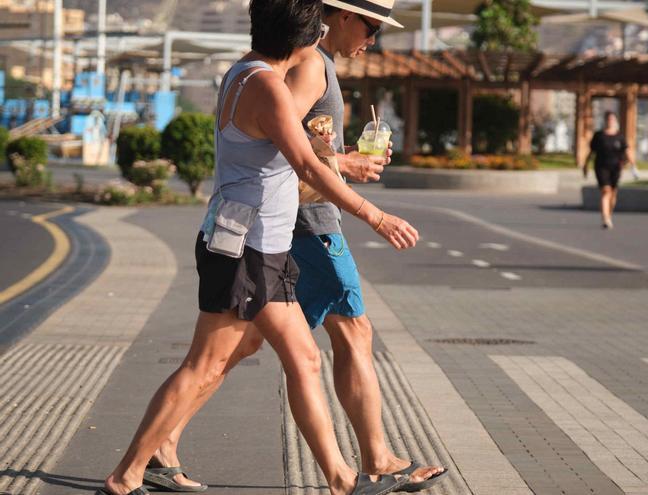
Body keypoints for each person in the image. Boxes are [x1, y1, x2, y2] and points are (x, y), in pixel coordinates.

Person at [96, 1, 419, 495]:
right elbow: (308, 168)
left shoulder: (243, 71)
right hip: (244, 248)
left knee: (304, 359)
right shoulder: (267, 86)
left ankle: (342, 481)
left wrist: (337, 157)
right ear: (300, 38)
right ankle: (126, 475)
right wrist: (375, 215)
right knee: (205, 365)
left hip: (259, 245)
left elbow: (305, 157)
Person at [583, 111, 635, 229]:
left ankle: (609, 214)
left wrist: (633, 166)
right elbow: (591, 152)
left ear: (615, 121)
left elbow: (627, 151)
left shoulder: (620, 137)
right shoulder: (599, 136)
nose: (610, 121)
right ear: (605, 121)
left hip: (616, 167)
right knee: (606, 191)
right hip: (601, 167)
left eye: (612, 119)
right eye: (608, 119)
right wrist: (585, 165)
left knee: (613, 193)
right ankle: (605, 218)